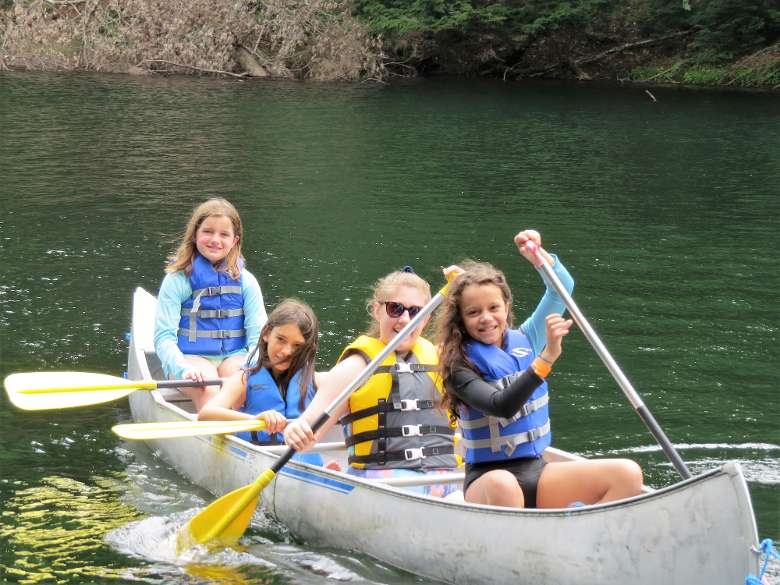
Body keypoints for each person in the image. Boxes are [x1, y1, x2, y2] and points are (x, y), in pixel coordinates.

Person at [437, 229, 644, 509]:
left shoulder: (527, 338)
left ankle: (574, 534)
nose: (486, 318)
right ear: (461, 319)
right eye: (473, 312)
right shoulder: (458, 365)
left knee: (627, 474)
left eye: (493, 307)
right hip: (487, 480)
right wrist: (545, 359)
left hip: (537, 470)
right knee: (503, 486)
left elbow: (562, 288)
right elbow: (500, 406)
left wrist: (538, 256)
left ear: (507, 306)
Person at [283, 268, 459, 496]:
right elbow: (308, 432)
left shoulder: (443, 359)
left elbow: (498, 342)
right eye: (395, 308)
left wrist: (463, 291)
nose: (405, 319)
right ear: (378, 310)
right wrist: (296, 430)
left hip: (448, 481)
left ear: (426, 319)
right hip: (384, 486)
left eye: (416, 311)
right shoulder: (354, 368)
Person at [154, 198, 267, 411]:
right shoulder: (177, 280)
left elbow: (259, 336)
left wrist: (251, 366)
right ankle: (215, 436)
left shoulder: (247, 282)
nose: (215, 239)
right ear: (195, 234)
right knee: (207, 388)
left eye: (224, 234)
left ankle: (248, 435)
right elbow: (164, 338)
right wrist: (183, 369)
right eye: (208, 231)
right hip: (191, 358)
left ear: (235, 240)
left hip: (234, 356)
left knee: (247, 385)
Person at [198, 299, 325, 466]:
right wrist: (255, 419)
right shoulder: (244, 379)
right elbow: (205, 415)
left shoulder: (317, 381)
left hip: (306, 466)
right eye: (281, 339)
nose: (287, 351)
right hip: (258, 461)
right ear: (266, 333)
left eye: (297, 346)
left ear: (309, 347)